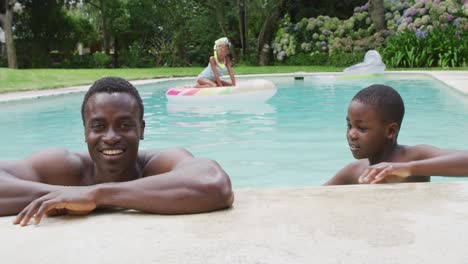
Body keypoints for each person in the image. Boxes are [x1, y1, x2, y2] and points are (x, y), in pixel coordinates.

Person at [0, 77, 234, 226]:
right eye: (98, 127)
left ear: (141, 129)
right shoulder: (64, 165)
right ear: (85, 132)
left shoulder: (159, 163)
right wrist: (64, 196)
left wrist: (94, 196)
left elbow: (215, 185)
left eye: (124, 125)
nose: (111, 137)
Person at [325, 84, 468, 185]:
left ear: (391, 131)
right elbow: (315, 196)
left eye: (362, 128)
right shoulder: (353, 172)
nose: (351, 134)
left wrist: (409, 169)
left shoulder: (414, 157)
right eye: (349, 125)